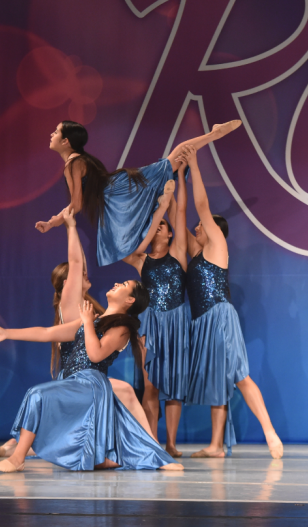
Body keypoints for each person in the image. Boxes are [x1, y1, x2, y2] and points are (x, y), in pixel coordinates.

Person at [0, 207, 155, 459]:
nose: (84, 274)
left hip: (85, 375)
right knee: (124, 394)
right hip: (76, 377)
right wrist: (70, 226)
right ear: (67, 283)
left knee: (125, 394)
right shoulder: (73, 303)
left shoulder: (90, 311)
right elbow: (75, 263)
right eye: (79, 275)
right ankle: (143, 447)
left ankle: (23, 445)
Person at [0, 285, 182, 472]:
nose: (117, 284)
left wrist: (87, 323)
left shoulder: (122, 328)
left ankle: (17, 458)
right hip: (71, 381)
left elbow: (95, 355)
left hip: (91, 383)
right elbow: (47, 332)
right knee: (39, 398)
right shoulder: (92, 319)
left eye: (123, 285)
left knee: (36, 394)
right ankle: (107, 459)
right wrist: (7, 333)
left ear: (130, 300)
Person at [182, 147, 283, 459]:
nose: (197, 227)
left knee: (240, 377)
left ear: (213, 232)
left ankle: (270, 433)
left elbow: (201, 206)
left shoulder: (217, 247)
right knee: (216, 382)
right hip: (202, 321)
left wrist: (195, 166)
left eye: (202, 226)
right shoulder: (197, 254)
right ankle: (216, 446)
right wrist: (173, 183)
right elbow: (180, 216)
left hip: (219, 317)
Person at [35, 119, 241, 266]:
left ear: (66, 142)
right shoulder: (78, 161)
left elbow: (77, 204)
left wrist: (53, 222)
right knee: (172, 162)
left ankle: (214, 134)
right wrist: (54, 221)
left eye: (56, 131)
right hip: (116, 192)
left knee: (172, 161)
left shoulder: (72, 164)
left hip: (117, 192)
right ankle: (211, 137)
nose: (52, 134)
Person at [122, 157, 190, 458]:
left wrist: (176, 183)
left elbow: (182, 213)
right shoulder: (141, 260)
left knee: (173, 387)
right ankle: (152, 438)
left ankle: (171, 442)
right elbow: (128, 248)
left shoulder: (177, 251)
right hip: (151, 323)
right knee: (150, 385)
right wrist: (155, 212)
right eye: (155, 226)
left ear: (170, 233)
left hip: (175, 321)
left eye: (161, 226)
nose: (157, 228)